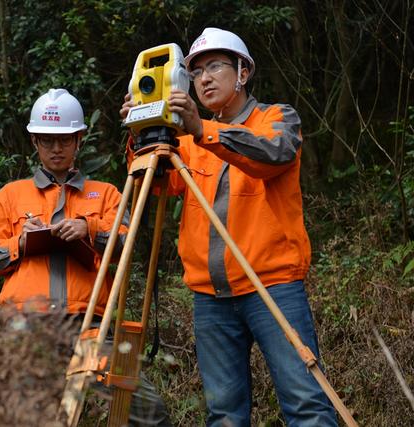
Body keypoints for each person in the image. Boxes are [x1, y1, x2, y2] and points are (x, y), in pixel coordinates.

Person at [120, 28, 338, 426]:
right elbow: (156, 188)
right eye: (196, 71)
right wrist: (144, 135)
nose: (204, 78)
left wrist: (202, 131)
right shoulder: (185, 141)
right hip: (210, 298)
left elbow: (275, 153)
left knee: (306, 403)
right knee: (223, 414)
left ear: (243, 72)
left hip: (272, 287)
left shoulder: (277, 118)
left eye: (215, 67)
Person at [0, 88, 171, 426]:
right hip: (26, 326)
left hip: (90, 326)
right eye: (47, 140)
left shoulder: (107, 193)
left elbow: (128, 244)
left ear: (79, 140)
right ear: (35, 142)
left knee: (147, 409)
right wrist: (20, 243)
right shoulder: (10, 195)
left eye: (64, 140)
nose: (56, 148)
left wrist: (89, 228)